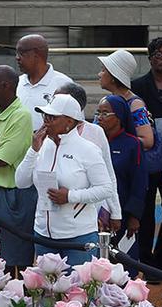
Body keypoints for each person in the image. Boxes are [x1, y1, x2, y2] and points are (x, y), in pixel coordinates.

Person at [16, 95, 112, 267]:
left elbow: (105, 189)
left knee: (77, 292)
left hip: (78, 237)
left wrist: (70, 196)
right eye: (44, 116)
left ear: (69, 121)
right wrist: (33, 150)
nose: (46, 121)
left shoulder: (88, 150)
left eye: (51, 117)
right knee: (45, 292)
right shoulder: (42, 146)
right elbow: (21, 182)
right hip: (43, 234)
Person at [0, 65, 36, 269]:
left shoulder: (21, 116)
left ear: (6, 86)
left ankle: (21, 296)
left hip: (15, 195)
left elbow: (0, 161)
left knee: (14, 256)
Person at [130, 37, 162, 272]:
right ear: (150, 58)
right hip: (148, 155)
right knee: (146, 210)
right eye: (158, 54)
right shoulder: (138, 86)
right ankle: (146, 260)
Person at [55, 81, 122, 233]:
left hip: (89, 213)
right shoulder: (49, 134)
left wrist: (115, 212)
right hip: (55, 216)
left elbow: (109, 175)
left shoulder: (96, 133)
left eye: (58, 100)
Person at [95, 95, 146, 259]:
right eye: (98, 113)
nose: (99, 118)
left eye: (105, 113)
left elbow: (140, 182)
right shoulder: (94, 142)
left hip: (123, 212)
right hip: (97, 214)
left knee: (124, 263)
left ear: (119, 117)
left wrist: (134, 217)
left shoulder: (132, 144)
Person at [98, 49, 155, 151]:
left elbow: (147, 141)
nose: (99, 74)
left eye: (103, 70)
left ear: (113, 77)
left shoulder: (135, 104)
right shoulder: (109, 101)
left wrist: (117, 141)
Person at [15, 33, 73, 122]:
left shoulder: (64, 84)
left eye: (21, 53)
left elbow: (76, 123)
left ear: (36, 54)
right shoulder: (16, 83)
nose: (17, 58)